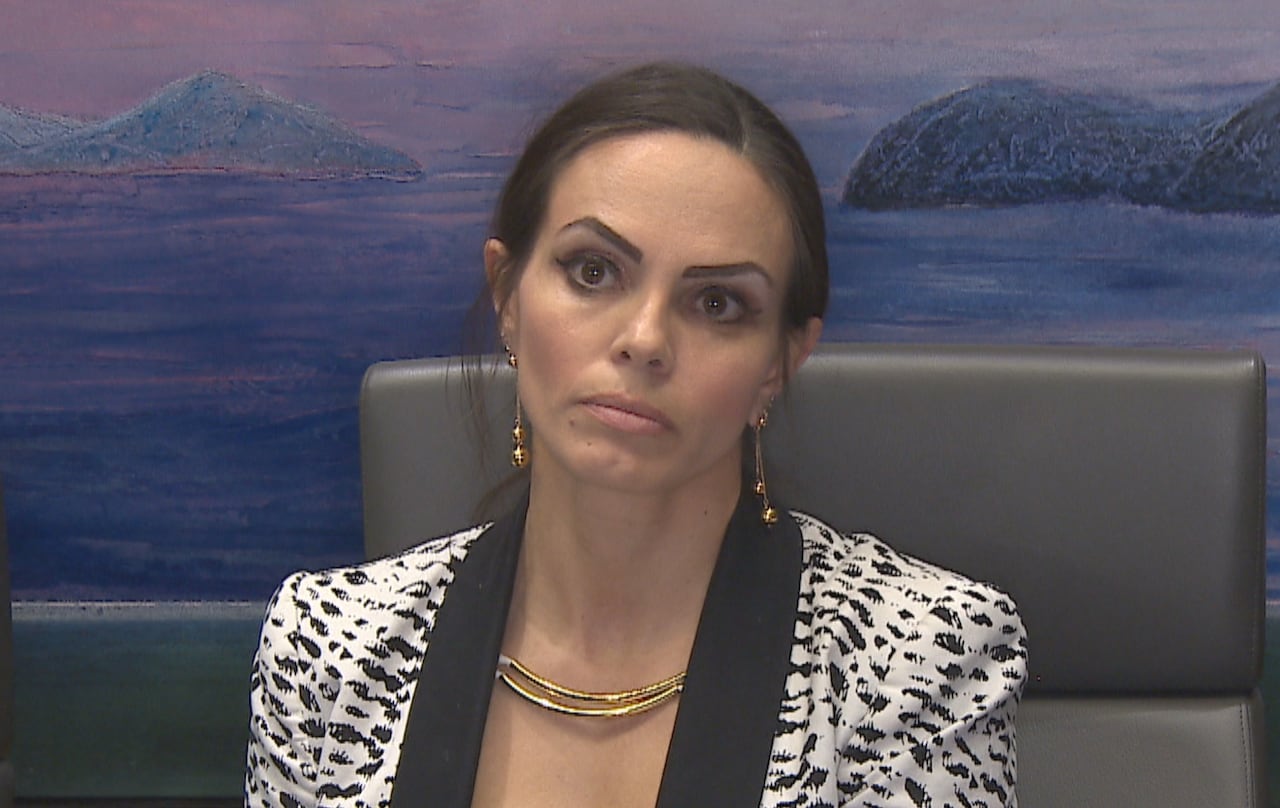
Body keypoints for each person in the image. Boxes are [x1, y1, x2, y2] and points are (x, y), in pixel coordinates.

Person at [244, 61, 1027, 808]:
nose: (645, 338)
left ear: (781, 364)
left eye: (717, 303)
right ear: (508, 297)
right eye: (594, 272)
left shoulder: (917, 659)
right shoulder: (331, 647)